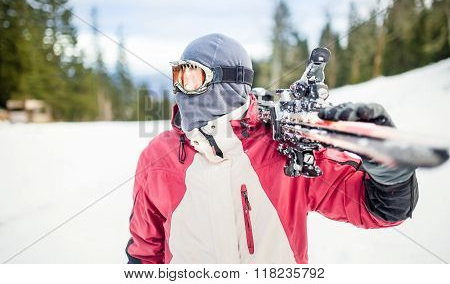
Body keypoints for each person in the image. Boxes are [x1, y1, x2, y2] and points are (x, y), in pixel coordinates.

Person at [125, 33, 418, 263]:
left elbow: (380, 209)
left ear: (227, 84)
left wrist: (389, 165)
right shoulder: (157, 158)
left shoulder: (284, 148)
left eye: (192, 78)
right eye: (178, 77)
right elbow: (144, 250)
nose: (181, 90)